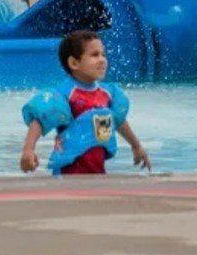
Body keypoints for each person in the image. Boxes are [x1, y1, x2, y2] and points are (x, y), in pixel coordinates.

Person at [20, 29, 152, 175]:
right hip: (68, 173)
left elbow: (118, 121)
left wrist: (136, 146)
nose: (102, 60)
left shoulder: (107, 93)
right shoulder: (65, 94)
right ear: (74, 63)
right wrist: (28, 150)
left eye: (103, 54)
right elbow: (39, 121)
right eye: (94, 55)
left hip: (97, 172)